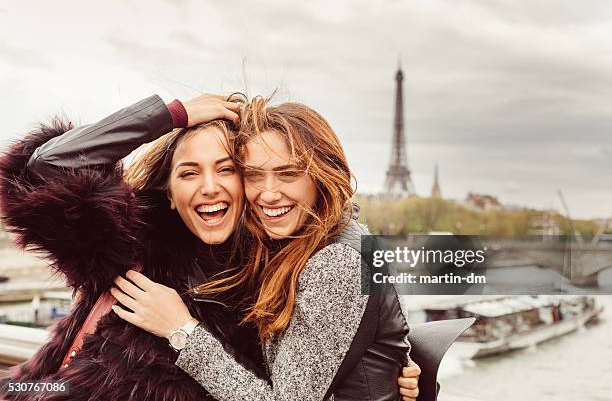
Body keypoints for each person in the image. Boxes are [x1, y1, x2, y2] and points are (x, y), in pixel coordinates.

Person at [111, 96, 423, 400]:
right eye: (254, 175)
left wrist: (182, 330)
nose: (269, 194)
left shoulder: (336, 261)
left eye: (288, 173)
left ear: (322, 176)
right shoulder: (305, 245)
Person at [0, 94, 269, 400]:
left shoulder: (271, 282)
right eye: (189, 173)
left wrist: (183, 331)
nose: (209, 188)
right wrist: (168, 116)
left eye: (225, 170)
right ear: (169, 192)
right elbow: (47, 166)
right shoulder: (132, 244)